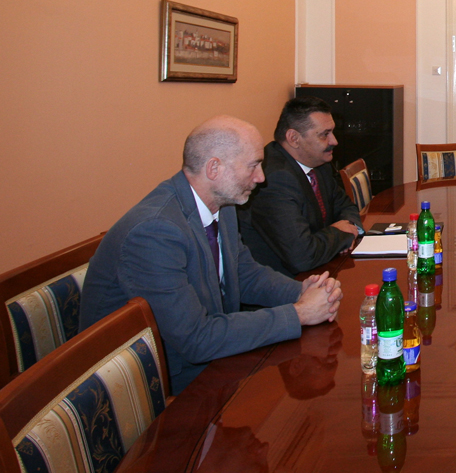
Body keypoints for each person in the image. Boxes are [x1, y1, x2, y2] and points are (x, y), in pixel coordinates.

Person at [80, 116, 343, 393]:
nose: (261, 177)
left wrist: (302, 291)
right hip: (149, 385)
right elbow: (196, 339)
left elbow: (244, 274)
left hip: (205, 359)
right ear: (214, 168)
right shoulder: (155, 232)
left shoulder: (221, 204)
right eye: (253, 165)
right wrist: (298, 313)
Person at [240, 97, 362, 277]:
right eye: (324, 134)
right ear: (294, 138)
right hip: (284, 283)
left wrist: (349, 229)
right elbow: (302, 256)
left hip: (321, 269)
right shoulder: (274, 179)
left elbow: (346, 206)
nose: (334, 141)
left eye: (332, 132)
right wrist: (340, 235)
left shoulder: (319, 164)